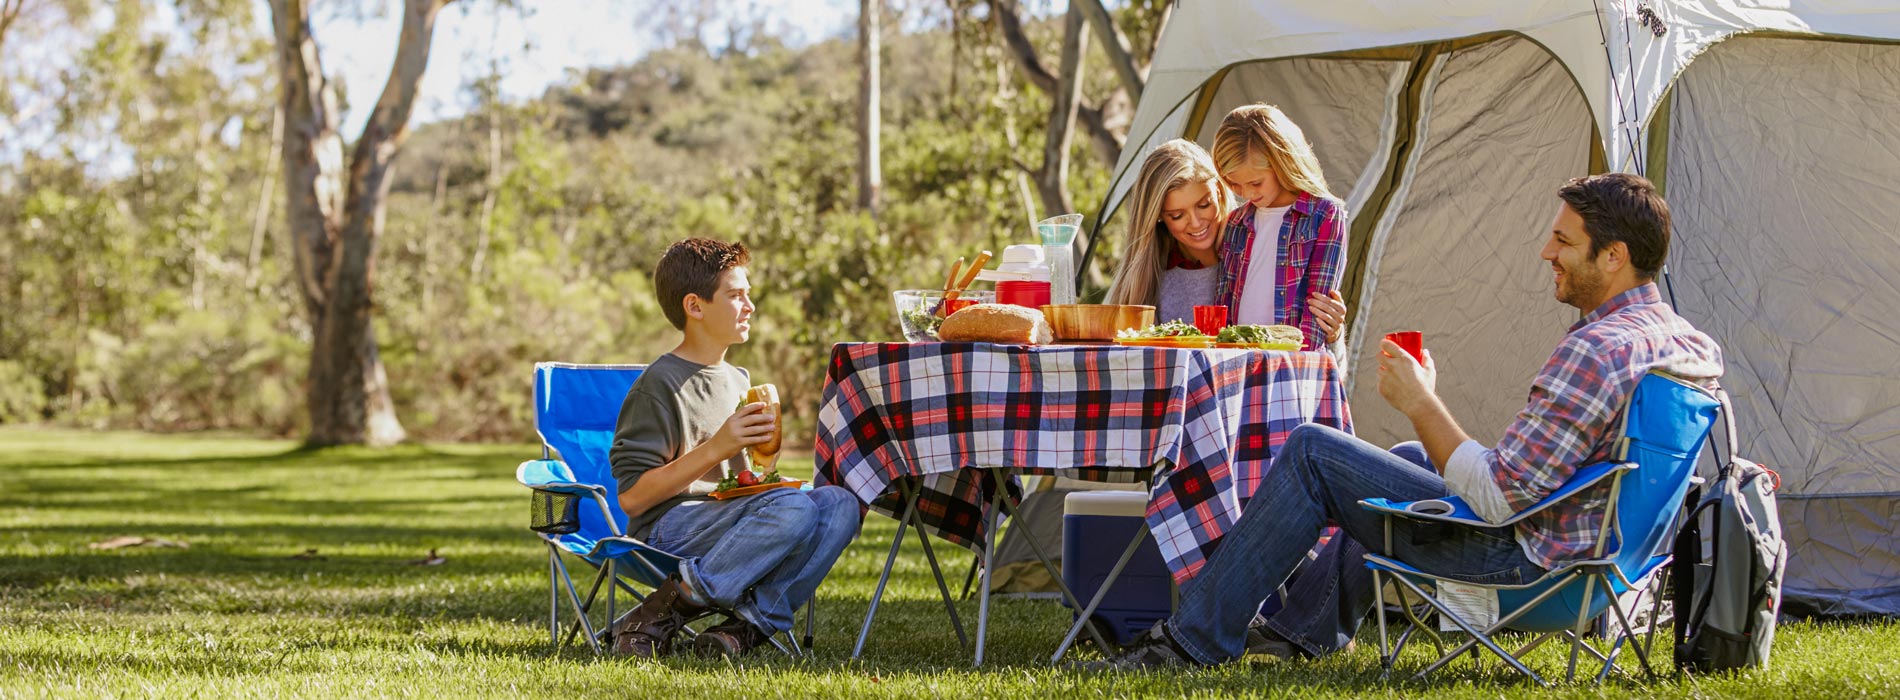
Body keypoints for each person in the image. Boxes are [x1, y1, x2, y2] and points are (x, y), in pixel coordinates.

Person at [1092, 173, 1724, 669]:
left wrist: (1423, 401)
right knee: (1410, 457)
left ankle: (1192, 638)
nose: (1545, 251)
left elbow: (1500, 498)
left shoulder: (1599, 350)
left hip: (1524, 569)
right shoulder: (1685, 345)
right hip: (1607, 566)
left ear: (1613, 256)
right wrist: (1426, 419)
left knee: (1314, 451)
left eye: (1563, 241)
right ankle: (1304, 629)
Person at [606, 238, 861, 659]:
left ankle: (743, 630)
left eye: (748, 295)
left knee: (840, 504)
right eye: (736, 295)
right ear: (695, 306)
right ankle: (662, 609)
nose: (750, 306)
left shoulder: (738, 379)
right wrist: (718, 446)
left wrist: (763, 466)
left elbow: (741, 482)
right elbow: (634, 499)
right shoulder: (660, 384)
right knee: (794, 508)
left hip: (727, 519)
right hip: (667, 529)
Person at [1210, 104, 1349, 350]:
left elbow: (1317, 309)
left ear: (1283, 163)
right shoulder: (1235, 223)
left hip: (1292, 367)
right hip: (1236, 363)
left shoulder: (1324, 215)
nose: (1247, 193)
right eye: (1235, 184)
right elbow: (1224, 301)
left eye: (1256, 182)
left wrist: (1296, 365)